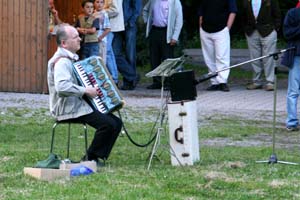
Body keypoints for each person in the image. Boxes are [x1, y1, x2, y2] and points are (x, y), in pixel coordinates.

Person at [47, 23, 122, 165]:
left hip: (77, 104)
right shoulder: (62, 62)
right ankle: (91, 158)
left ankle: (98, 157)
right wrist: (86, 90)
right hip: (66, 108)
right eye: (75, 37)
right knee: (108, 124)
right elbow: (62, 87)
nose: (80, 39)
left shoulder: (70, 58)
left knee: (116, 122)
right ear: (64, 43)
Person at [242, 0, 281, 91]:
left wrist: (275, 29)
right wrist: (246, 29)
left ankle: (270, 82)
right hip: (251, 32)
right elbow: (243, 16)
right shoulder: (246, 1)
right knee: (254, 58)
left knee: (269, 57)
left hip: (268, 30)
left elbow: (277, 15)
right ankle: (256, 81)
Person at [143, 0, 183, 90]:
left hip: (167, 33)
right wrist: (147, 22)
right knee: (154, 58)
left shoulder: (175, 2)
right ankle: (156, 82)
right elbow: (145, 10)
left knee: (167, 58)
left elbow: (179, 21)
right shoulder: (153, 1)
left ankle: (169, 82)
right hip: (154, 31)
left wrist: (175, 37)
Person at [198, 0, 237, 92]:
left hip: (221, 30)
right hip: (205, 30)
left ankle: (222, 82)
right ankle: (214, 82)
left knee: (222, 57)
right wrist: (200, 27)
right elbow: (201, 13)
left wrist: (227, 28)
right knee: (209, 58)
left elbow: (233, 11)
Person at [113, 0, 142, 90]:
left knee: (130, 55)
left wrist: (131, 22)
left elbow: (137, 8)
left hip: (129, 26)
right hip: (116, 26)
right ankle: (133, 76)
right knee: (115, 54)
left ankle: (128, 83)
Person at [281, 7, 300, 131]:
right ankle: (292, 122)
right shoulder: (293, 13)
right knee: (293, 90)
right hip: (296, 55)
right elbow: (287, 33)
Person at [93, 0, 111, 66]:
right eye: (97, 2)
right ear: (94, 3)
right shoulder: (93, 13)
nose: (99, 4)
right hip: (93, 40)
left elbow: (108, 29)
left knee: (102, 60)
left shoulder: (104, 14)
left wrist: (100, 38)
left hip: (101, 40)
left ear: (103, 4)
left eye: (101, 2)